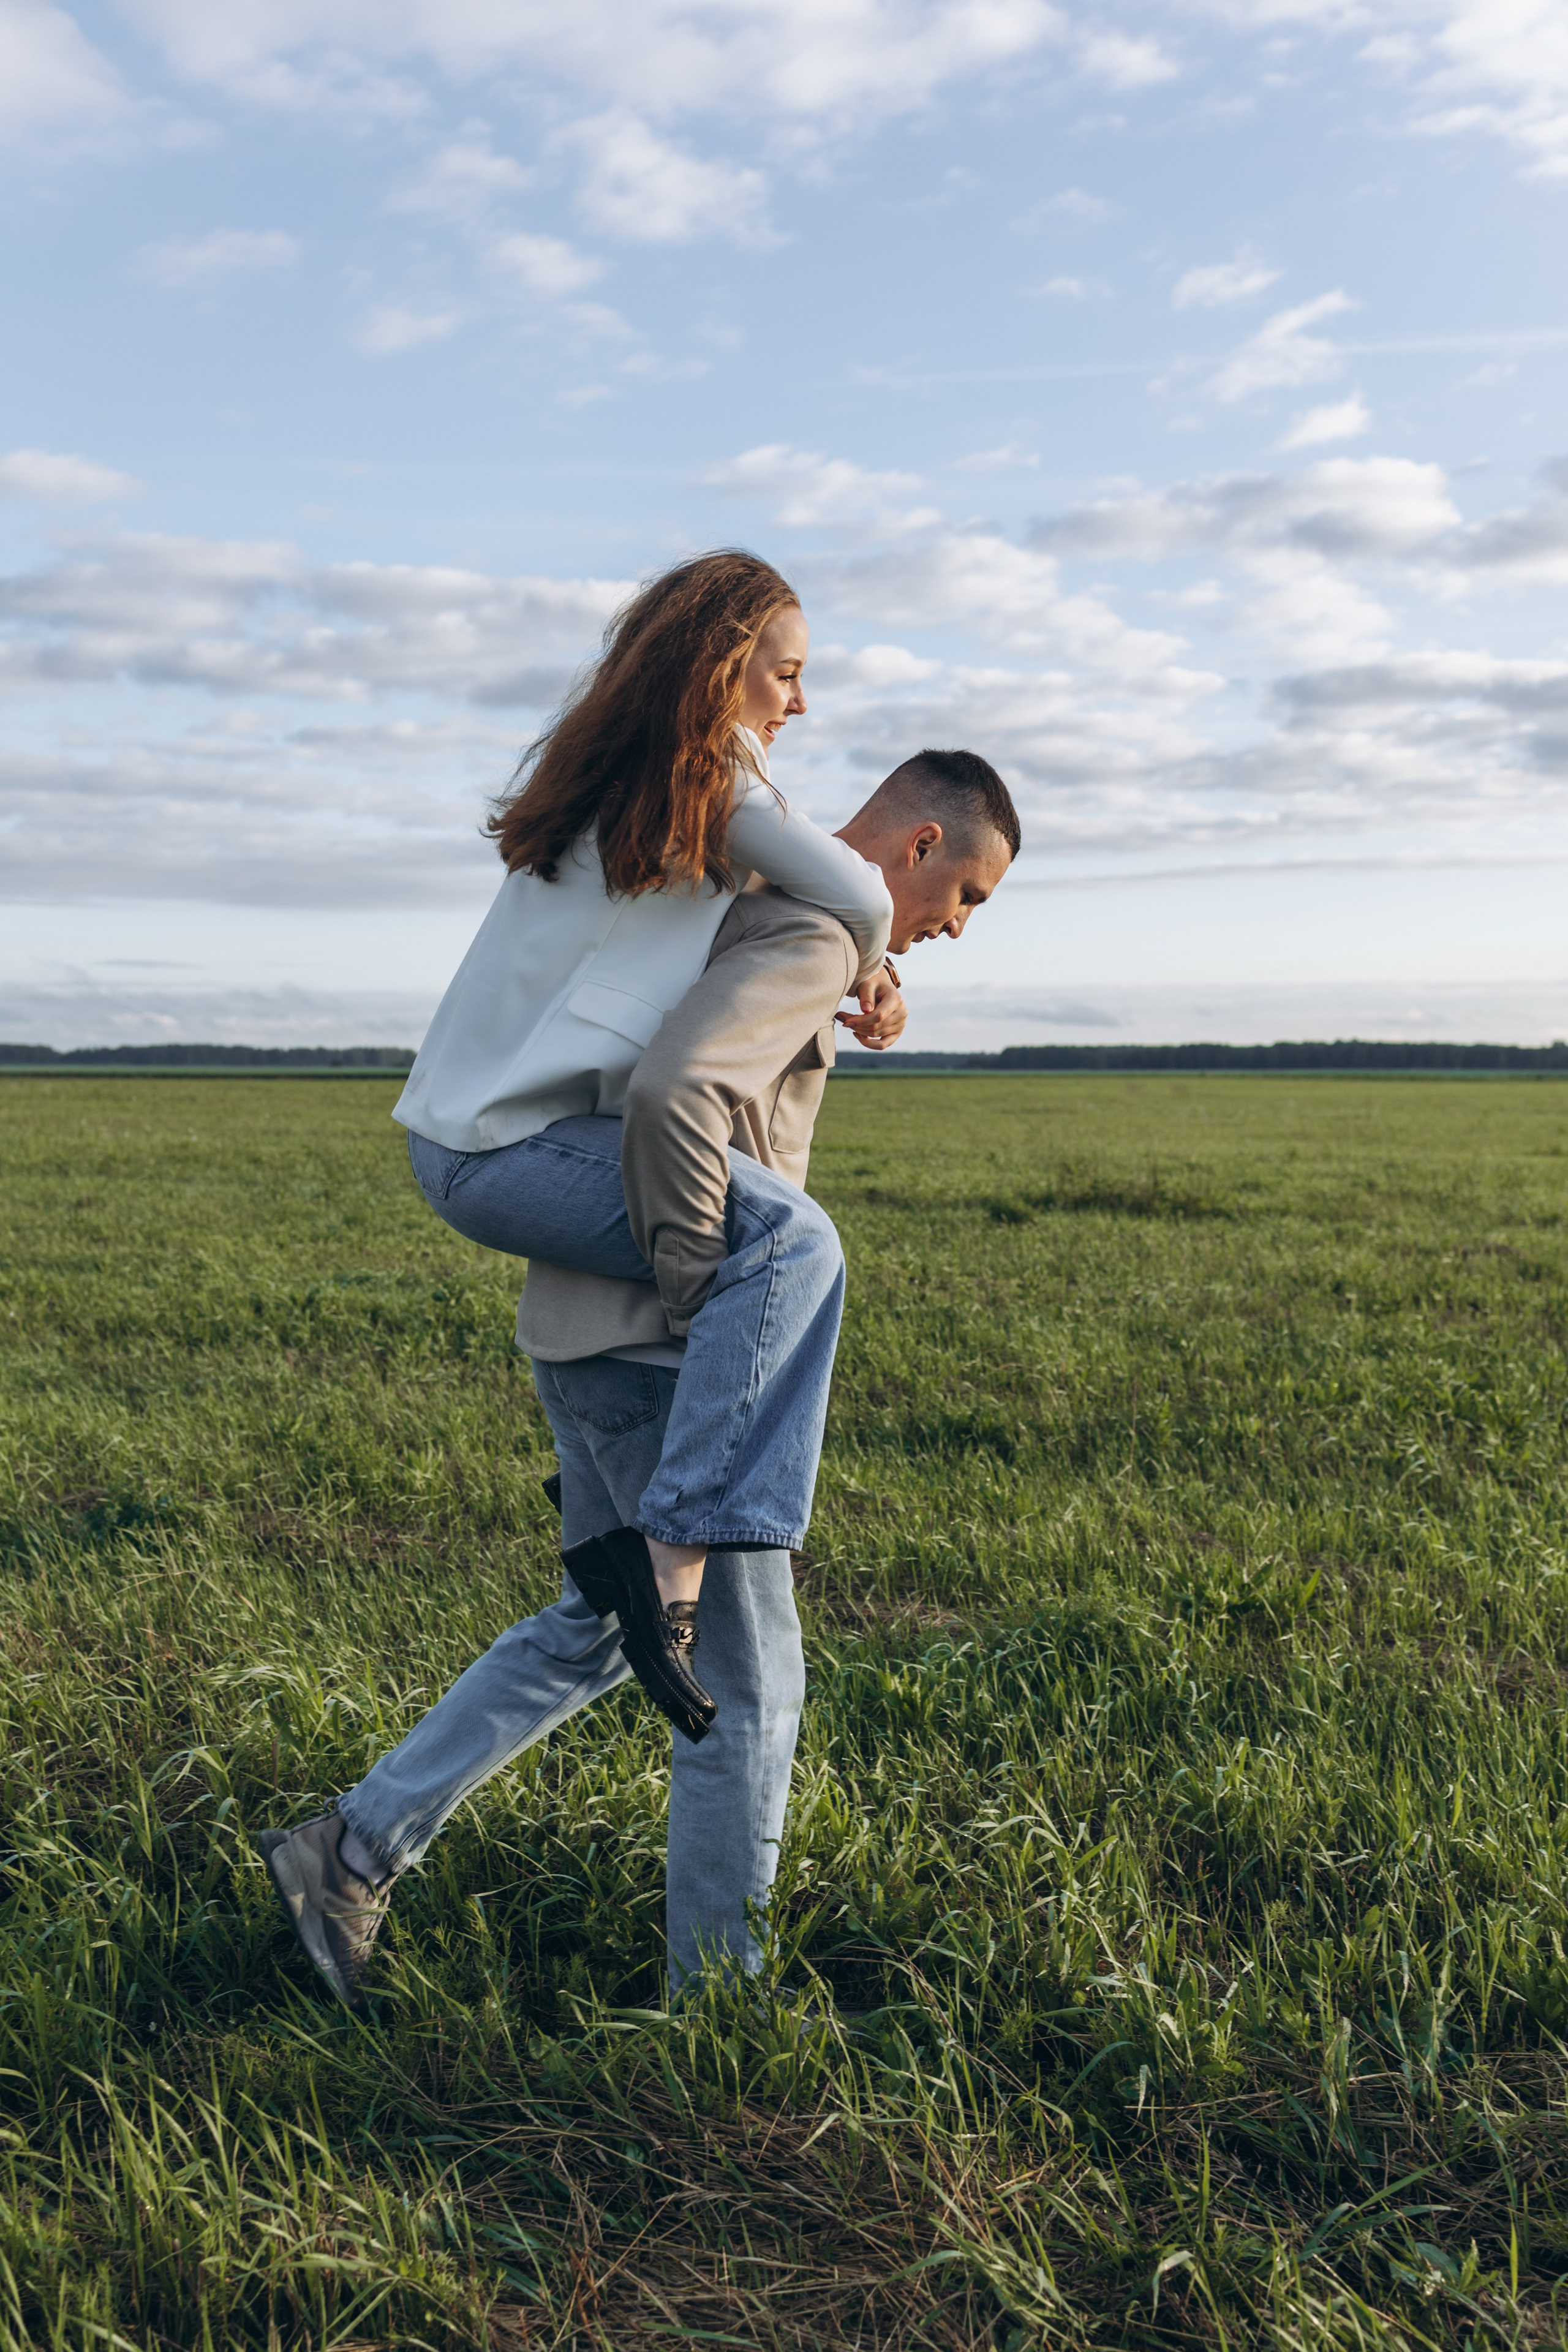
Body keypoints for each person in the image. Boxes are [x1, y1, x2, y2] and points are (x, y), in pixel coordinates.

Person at [258, 748, 1020, 2011]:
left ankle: (350, 1849)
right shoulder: (812, 932)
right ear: (919, 845)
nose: (953, 926)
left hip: (577, 1323)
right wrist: (695, 1292)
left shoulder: (722, 894)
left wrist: (872, 981)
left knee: (606, 1632)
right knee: (746, 1681)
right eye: (969, 895)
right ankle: (718, 2012)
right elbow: (685, 1095)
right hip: (671, 1342)